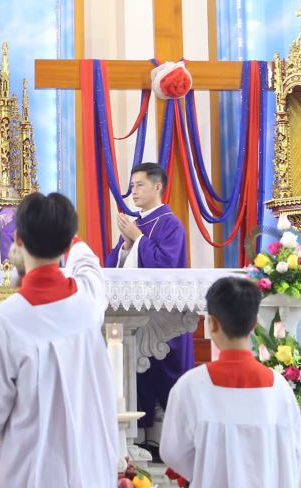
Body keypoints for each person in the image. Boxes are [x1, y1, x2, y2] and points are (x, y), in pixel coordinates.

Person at [0, 192, 117, 487]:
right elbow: (89, 268)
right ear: (66, 245)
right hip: (89, 469)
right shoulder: (88, 304)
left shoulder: (3, 320)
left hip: (30, 470)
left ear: (18, 240)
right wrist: (69, 236)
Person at [160, 277, 301, 487]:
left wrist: (206, 470)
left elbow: (173, 452)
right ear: (254, 324)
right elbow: (293, 455)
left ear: (212, 323)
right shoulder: (280, 389)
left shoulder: (191, 386)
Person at [105, 162, 194, 433]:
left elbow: (166, 265)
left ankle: (163, 436)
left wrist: (139, 239)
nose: (133, 191)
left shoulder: (170, 224)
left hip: (163, 320)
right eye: (132, 186)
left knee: (160, 373)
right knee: (134, 373)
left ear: (157, 186)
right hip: (132, 317)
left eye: (140, 185)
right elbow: (112, 266)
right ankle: (140, 434)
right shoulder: (137, 224)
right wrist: (127, 245)